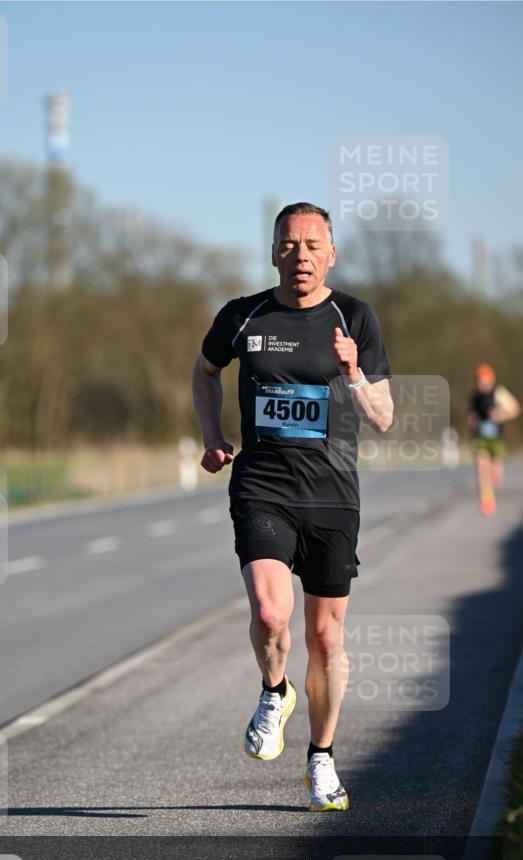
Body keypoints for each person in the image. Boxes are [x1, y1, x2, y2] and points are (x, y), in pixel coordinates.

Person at [192, 202, 393, 812]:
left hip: (332, 494)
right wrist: (212, 435)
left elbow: (382, 417)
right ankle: (275, 690)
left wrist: (354, 373)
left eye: (313, 245)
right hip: (263, 486)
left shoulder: (353, 316)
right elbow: (204, 372)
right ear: (274, 251)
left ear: (331, 253)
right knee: (270, 610)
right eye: (289, 244)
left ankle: (322, 758)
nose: (300, 255)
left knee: (326, 639)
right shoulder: (242, 316)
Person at [467, 363, 520, 516]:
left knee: (496, 473)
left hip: (496, 439)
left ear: (491, 380)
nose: (483, 385)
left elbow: (515, 409)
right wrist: (474, 420)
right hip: (480, 438)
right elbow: (470, 416)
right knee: (482, 464)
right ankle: (487, 499)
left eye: (485, 382)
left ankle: (494, 476)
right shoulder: (475, 397)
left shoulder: (499, 393)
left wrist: (500, 414)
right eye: (480, 382)